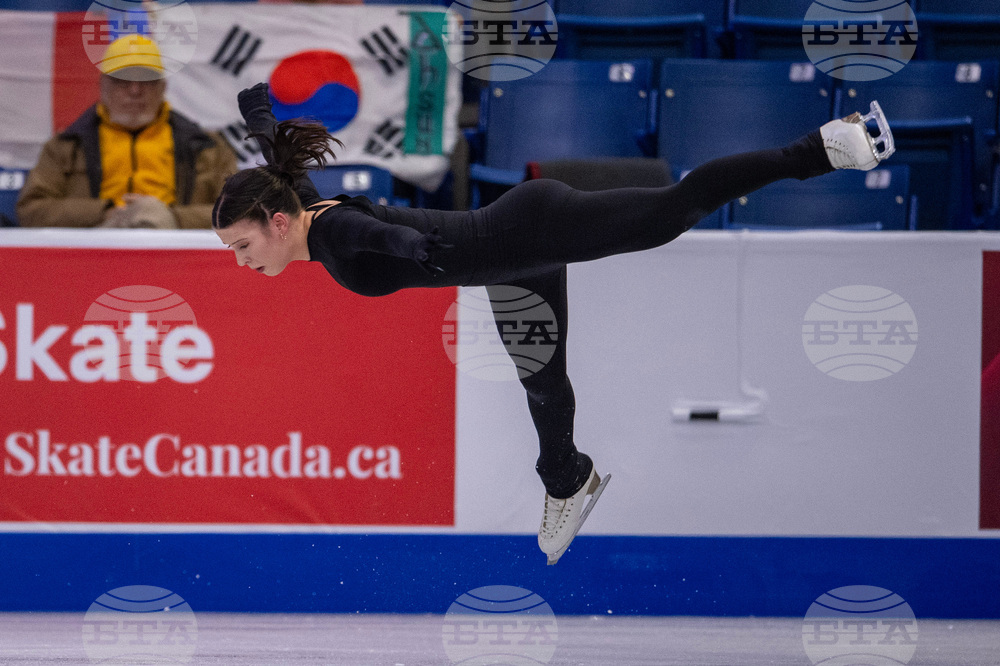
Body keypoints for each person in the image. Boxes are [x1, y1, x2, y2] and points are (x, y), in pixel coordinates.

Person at [213, 83, 895, 563]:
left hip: (532, 227)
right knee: (542, 382)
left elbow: (374, 237)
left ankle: (826, 147)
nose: (244, 263)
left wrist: (417, 249)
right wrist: (258, 113)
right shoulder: (298, 206)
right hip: (515, 267)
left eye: (243, 247)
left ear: (275, 226)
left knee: (677, 206)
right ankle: (566, 478)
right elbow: (282, 164)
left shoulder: (333, 237)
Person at [16, 34, 237, 229]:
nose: (134, 90)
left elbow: (239, 211)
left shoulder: (209, 147)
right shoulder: (65, 146)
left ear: (163, 87)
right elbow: (31, 210)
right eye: (122, 81)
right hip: (92, 257)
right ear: (103, 85)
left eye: (146, 80)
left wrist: (172, 217)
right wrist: (104, 213)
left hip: (176, 259)